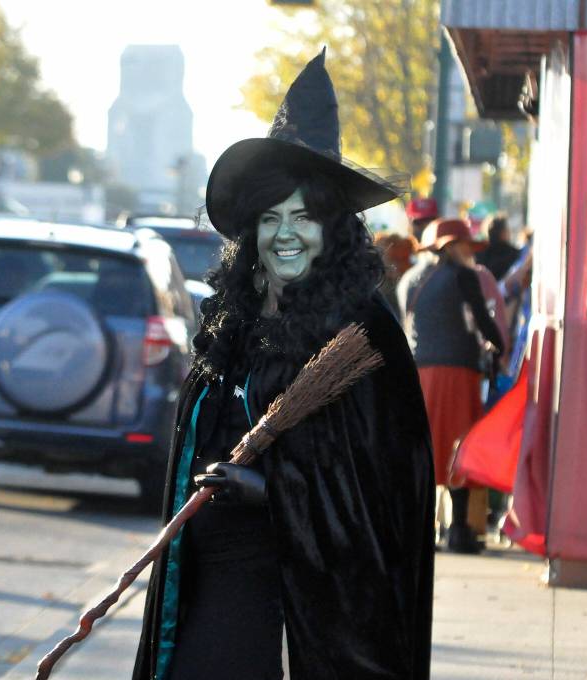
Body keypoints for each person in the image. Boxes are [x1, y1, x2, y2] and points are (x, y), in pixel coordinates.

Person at [133, 50, 435, 680]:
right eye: (271, 218)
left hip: (303, 601)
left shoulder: (363, 334)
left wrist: (270, 492)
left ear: (333, 228)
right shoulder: (231, 323)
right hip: (206, 579)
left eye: (304, 217)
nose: (285, 234)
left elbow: (384, 498)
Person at [411, 217, 505, 554]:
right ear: (451, 246)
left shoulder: (417, 279)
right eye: (465, 244)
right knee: (458, 447)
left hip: (423, 372)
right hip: (457, 372)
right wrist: (498, 346)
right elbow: (483, 320)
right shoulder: (464, 277)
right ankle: (460, 529)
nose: (470, 251)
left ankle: (424, 529)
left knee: (429, 449)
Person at [373, 230, 419, 320]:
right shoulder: (376, 284)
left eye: (402, 259)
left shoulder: (419, 277)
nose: (396, 268)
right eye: (392, 260)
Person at [476, 213, 521, 281]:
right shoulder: (513, 253)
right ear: (502, 232)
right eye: (507, 229)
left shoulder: (479, 252)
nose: (509, 232)